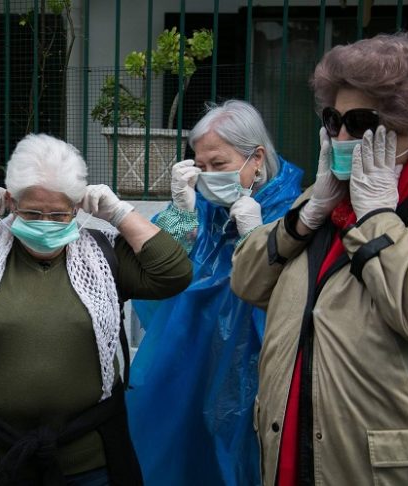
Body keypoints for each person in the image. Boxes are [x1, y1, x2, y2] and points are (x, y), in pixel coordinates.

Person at [231, 32, 408, 486]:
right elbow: (246, 281)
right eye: (333, 119)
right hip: (295, 450)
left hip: (393, 467)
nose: (341, 135)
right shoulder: (327, 201)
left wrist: (378, 214)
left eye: (360, 122)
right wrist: (306, 217)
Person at [0, 133, 193, 485]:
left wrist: (119, 213)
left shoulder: (104, 255)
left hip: (85, 462)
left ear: (77, 209)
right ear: (11, 204)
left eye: (58, 214)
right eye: (32, 212)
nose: (45, 224)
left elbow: (174, 273)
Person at [126, 99, 303, 485]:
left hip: (255, 377)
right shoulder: (201, 210)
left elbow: (295, 305)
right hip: (185, 370)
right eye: (200, 166)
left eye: (219, 164)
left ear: (256, 158)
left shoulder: (295, 213)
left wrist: (259, 239)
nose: (207, 176)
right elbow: (154, 280)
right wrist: (179, 215)